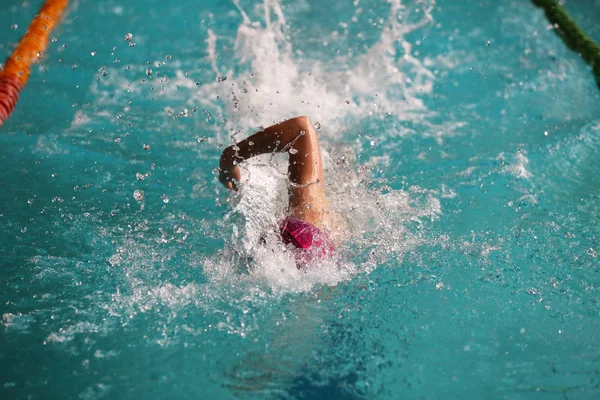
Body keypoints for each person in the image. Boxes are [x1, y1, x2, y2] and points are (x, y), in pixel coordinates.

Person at [219, 116, 337, 265]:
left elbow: (301, 128)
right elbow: (301, 128)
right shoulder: (318, 216)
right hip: (312, 246)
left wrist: (230, 157)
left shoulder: (312, 212)